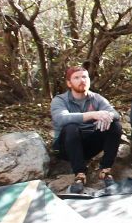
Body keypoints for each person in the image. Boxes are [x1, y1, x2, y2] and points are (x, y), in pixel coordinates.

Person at [51, 65, 122, 193]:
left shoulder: (96, 98)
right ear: (69, 83)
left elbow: (115, 113)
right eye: (76, 78)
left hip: (89, 146)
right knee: (71, 126)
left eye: (84, 77)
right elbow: (61, 118)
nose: (82, 80)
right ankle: (80, 174)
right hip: (67, 146)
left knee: (115, 125)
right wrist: (92, 115)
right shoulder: (60, 100)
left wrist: (107, 115)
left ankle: (105, 170)